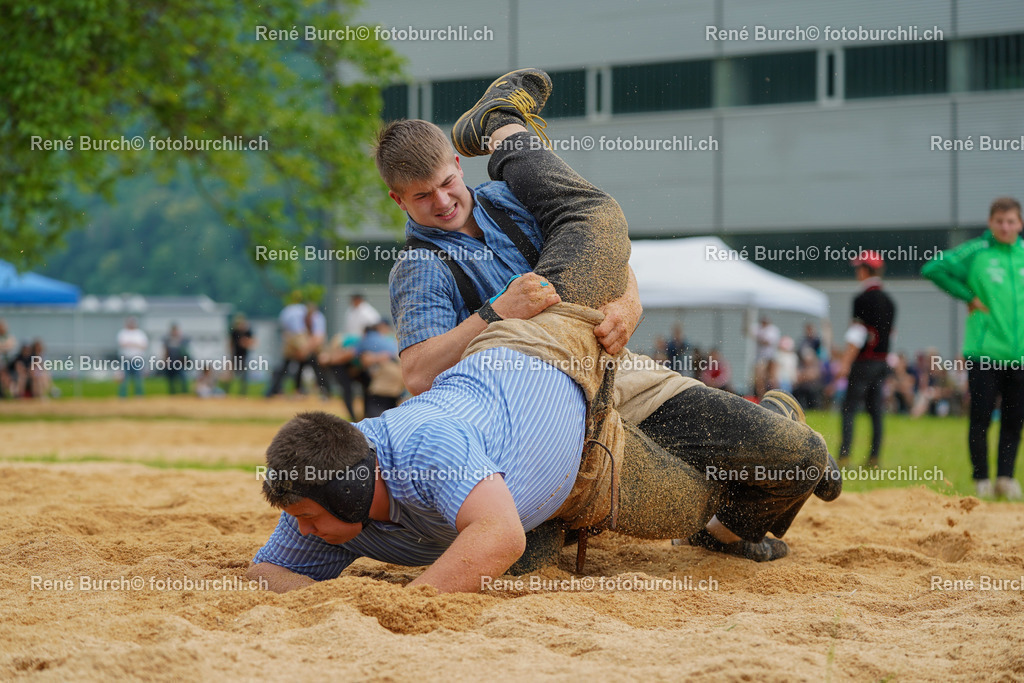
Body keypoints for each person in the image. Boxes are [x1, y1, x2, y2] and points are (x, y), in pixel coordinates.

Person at [248, 70, 840, 593]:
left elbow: (604, 253)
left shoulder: (507, 201)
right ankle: (502, 125)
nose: (443, 202)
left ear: (458, 165)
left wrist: (628, 304)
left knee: (796, 459)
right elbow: (418, 373)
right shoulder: (419, 267)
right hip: (517, 412)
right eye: (422, 197)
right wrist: (495, 313)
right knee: (515, 555)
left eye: (447, 183)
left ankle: (729, 522)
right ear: (397, 200)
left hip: (606, 368)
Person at [922, 197, 1024, 499]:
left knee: (1014, 420)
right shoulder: (976, 251)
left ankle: (1005, 478)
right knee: (980, 417)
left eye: (1011, 221)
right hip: (984, 353)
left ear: (1020, 223)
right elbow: (933, 268)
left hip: (1019, 356)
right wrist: (967, 295)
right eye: (999, 221)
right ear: (990, 223)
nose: (1005, 227)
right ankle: (981, 479)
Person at [837, 251, 896, 468]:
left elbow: (857, 333)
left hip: (863, 362)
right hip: (881, 362)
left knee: (849, 408)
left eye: (858, 268)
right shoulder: (890, 302)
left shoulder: (862, 299)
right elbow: (891, 334)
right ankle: (874, 458)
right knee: (876, 411)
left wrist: (845, 363)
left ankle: (844, 456)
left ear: (864, 270)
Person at [357, 319, 404, 418]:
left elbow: (363, 358)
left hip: (386, 376)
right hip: (400, 374)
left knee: (375, 410)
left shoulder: (367, 339)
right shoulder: (389, 338)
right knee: (390, 411)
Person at [117, 317, 148, 398]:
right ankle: (123, 395)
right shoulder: (123, 333)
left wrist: (130, 344)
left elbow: (144, 346)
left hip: (138, 359)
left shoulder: (140, 333)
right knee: (124, 378)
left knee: (138, 378)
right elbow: (122, 344)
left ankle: (139, 395)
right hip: (126, 359)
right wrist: (135, 344)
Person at [227, 313, 255, 395]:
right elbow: (230, 344)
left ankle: (242, 392)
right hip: (235, 356)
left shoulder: (247, 332)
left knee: (244, 375)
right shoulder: (234, 332)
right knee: (231, 374)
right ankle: (228, 391)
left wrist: (245, 343)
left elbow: (252, 343)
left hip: (244, 356)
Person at [163, 323, 190, 395]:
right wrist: (165, 361)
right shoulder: (168, 340)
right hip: (171, 363)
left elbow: (186, 352)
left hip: (180, 363)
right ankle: (173, 394)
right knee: (171, 380)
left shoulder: (182, 340)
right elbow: (166, 351)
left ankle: (184, 393)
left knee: (183, 378)